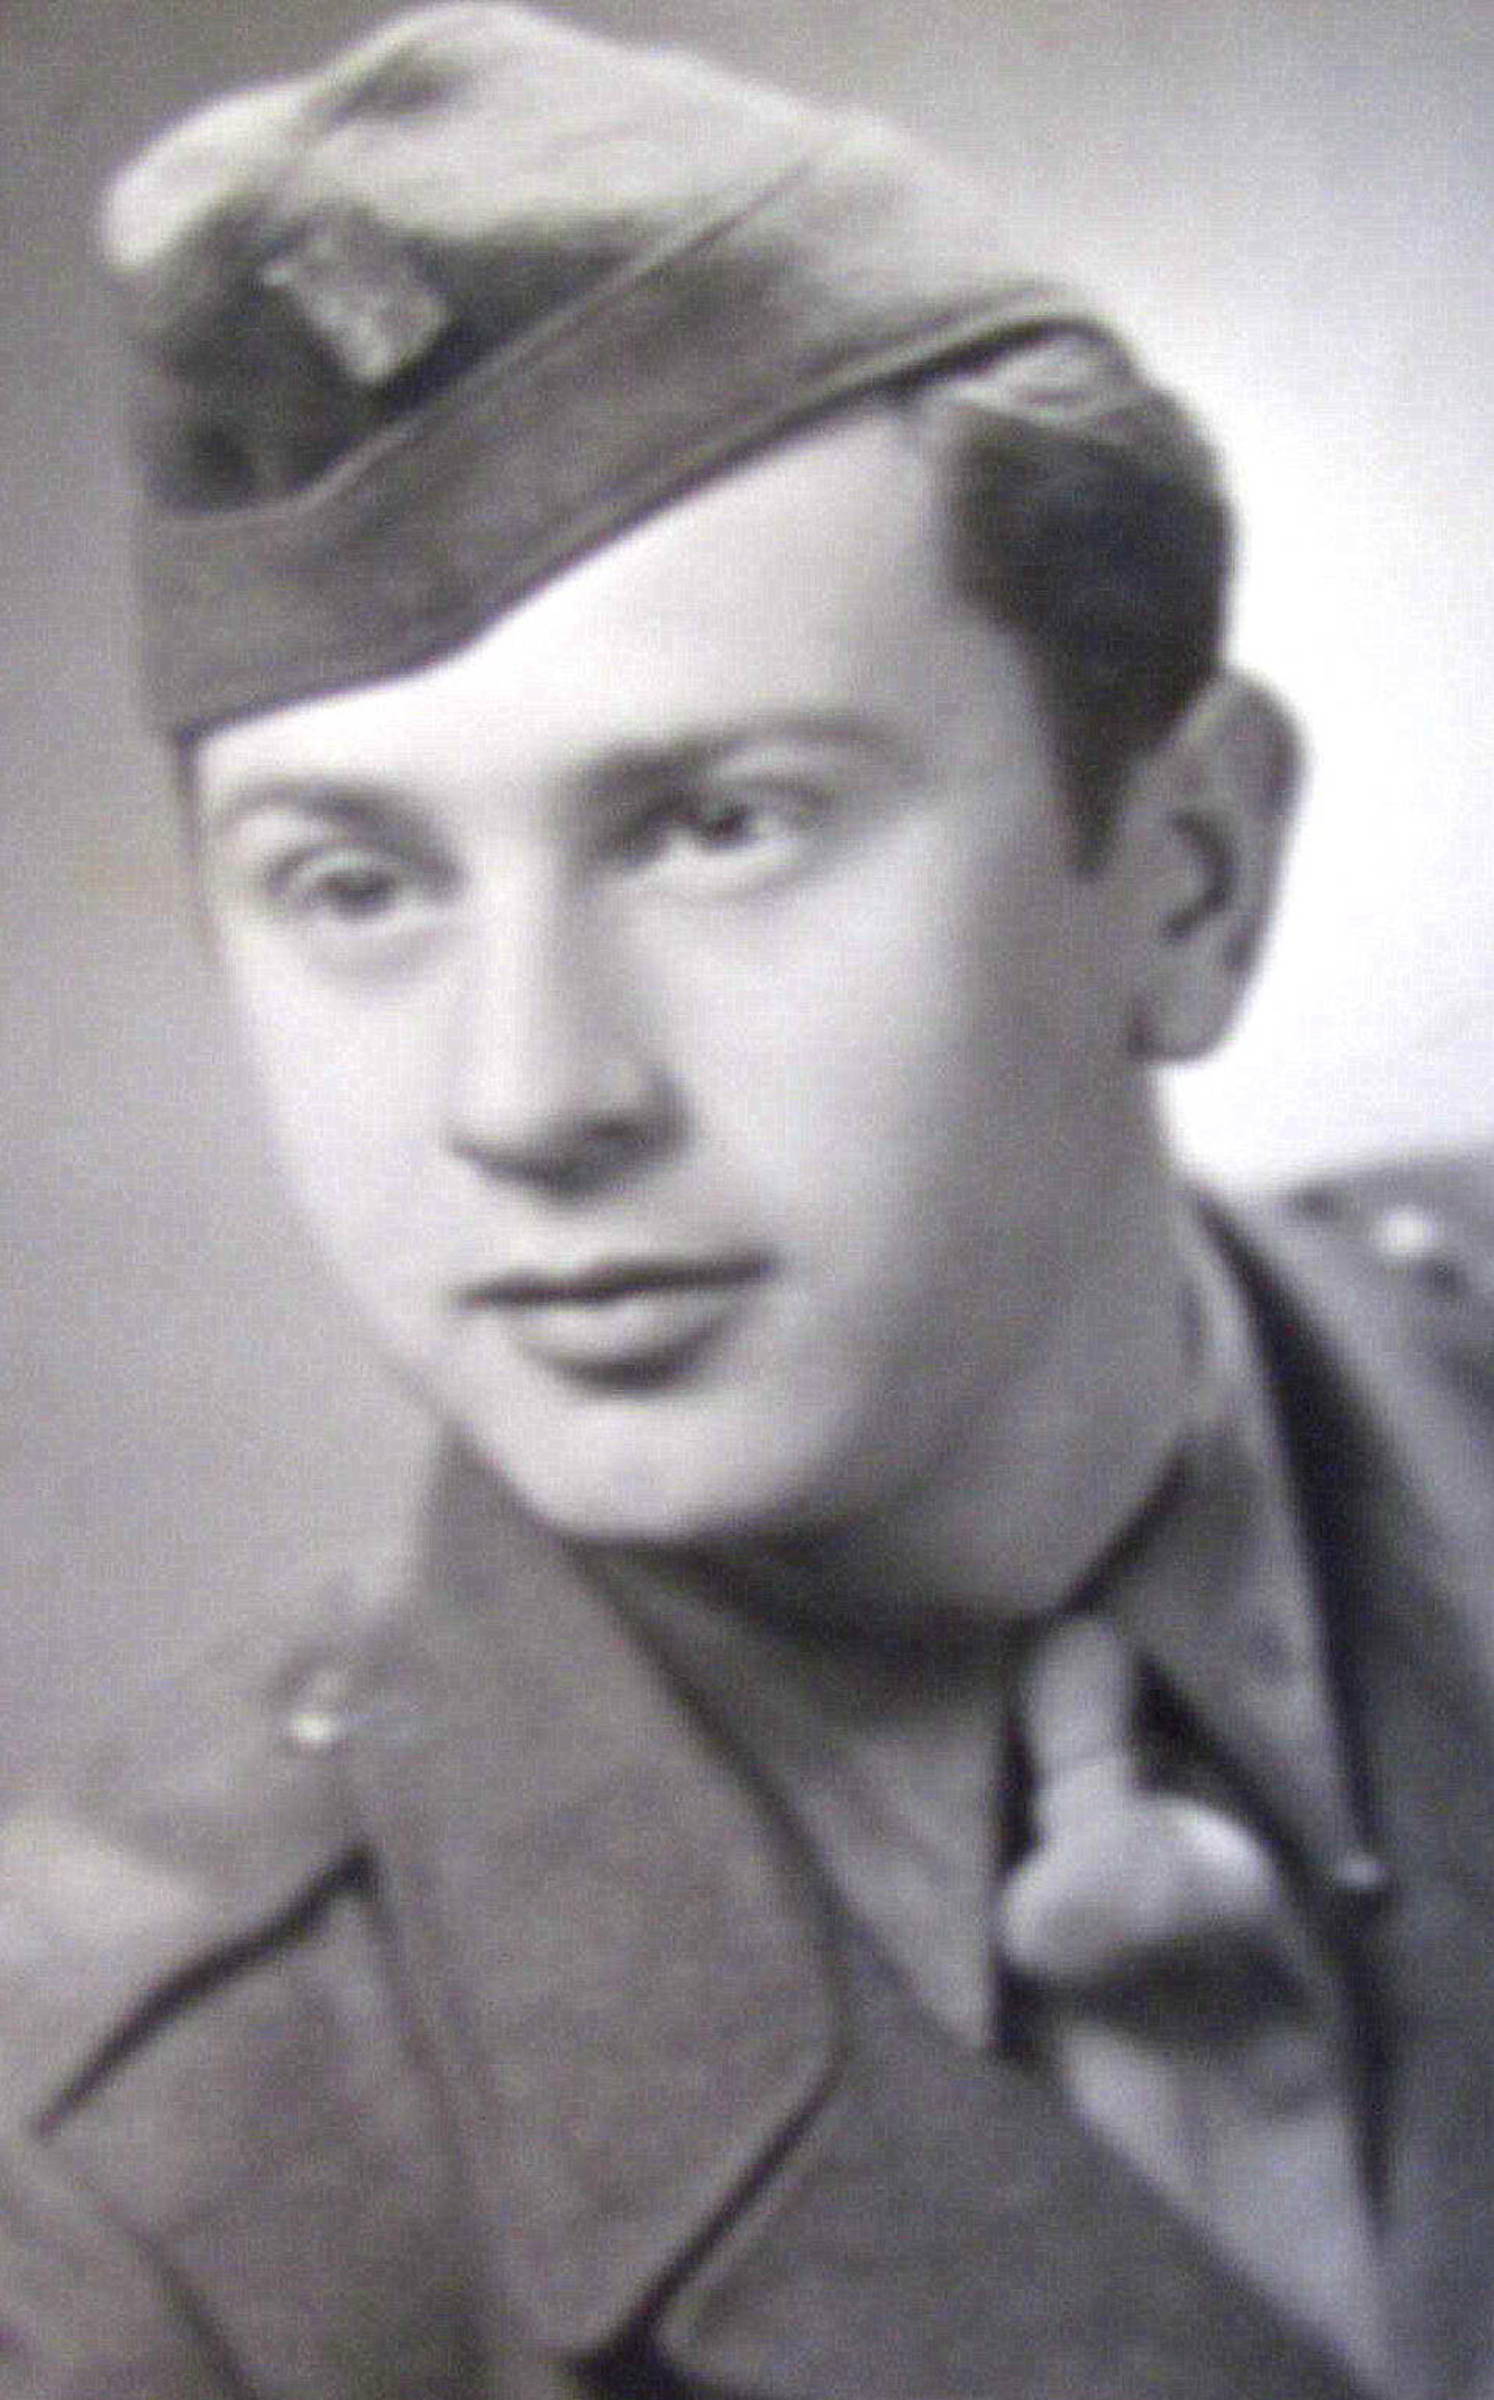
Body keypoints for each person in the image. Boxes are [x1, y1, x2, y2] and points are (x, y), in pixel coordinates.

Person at [1, 7, 1490, 2395]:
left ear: (1191, 871)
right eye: (356, 883)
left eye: (721, 828)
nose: (528, 1099)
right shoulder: (112, 2209)